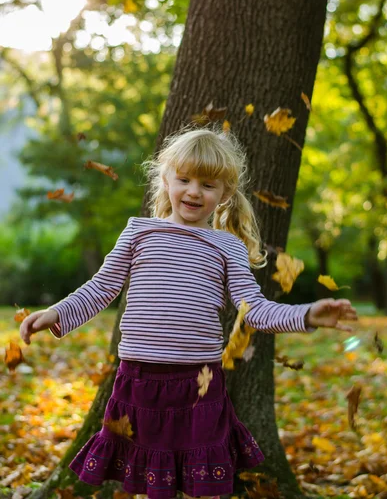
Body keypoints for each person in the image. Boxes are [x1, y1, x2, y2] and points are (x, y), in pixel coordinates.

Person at [20, 125, 357, 499]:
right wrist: (56, 312)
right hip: (139, 379)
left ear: (225, 193)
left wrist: (308, 315)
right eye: (184, 179)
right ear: (166, 179)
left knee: (205, 483)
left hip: (199, 382)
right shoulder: (139, 232)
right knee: (154, 480)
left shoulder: (227, 246)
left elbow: (255, 310)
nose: (194, 191)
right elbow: (102, 288)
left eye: (208, 185)